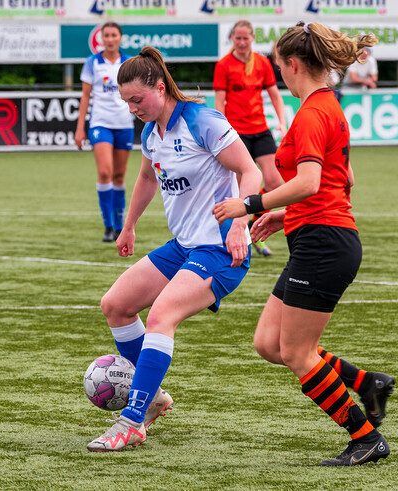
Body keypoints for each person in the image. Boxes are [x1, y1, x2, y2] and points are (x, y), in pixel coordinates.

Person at [214, 22, 393, 466]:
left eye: (280, 69)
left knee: (295, 352)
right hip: (318, 236)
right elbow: (343, 179)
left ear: (294, 64)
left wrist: (251, 204)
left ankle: (365, 436)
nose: (280, 78)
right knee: (269, 344)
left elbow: (311, 181)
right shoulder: (326, 106)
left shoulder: (313, 112)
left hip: (324, 244)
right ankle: (366, 382)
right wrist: (283, 214)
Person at [87, 46, 262, 452]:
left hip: (220, 249)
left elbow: (249, 170)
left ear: (160, 87)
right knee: (115, 305)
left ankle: (132, 418)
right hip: (184, 246)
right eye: (126, 102)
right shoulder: (151, 133)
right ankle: (154, 398)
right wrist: (129, 226)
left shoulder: (202, 121)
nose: (133, 109)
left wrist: (240, 223)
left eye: (138, 99)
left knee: (163, 314)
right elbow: (148, 179)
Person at [213, 20, 287, 257]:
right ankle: (240, 236)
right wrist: (220, 130)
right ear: (232, 39)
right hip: (235, 134)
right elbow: (219, 101)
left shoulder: (262, 62)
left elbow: (275, 95)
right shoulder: (224, 65)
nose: (242, 43)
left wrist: (282, 121)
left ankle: (256, 227)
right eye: (238, 38)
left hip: (260, 130)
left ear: (252, 38)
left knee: (275, 182)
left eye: (246, 38)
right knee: (242, 188)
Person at [75, 22, 134, 243]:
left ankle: (120, 227)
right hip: (100, 124)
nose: (110, 39)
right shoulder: (92, 63)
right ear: (101, 39)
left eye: (114, 35)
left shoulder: (129, 63)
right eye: (106, 35)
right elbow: (85, 97)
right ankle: (108, 225)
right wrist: (80, 128)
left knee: (119, 176)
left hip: (124, 125)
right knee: (105, 173)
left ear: (120, 38)